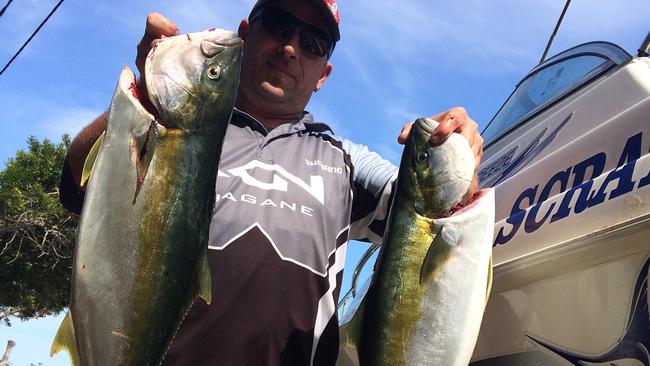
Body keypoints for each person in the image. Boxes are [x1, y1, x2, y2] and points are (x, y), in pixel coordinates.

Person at [59, 0, 484, 365]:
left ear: (324, 74)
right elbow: (76, 187)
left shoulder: (346, 160)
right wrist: (142, 105)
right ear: (246, 33)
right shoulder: (183, 130)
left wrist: (456, 155)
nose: (289, 48)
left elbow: (431, 216)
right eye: (279, 24)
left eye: (312, 42)